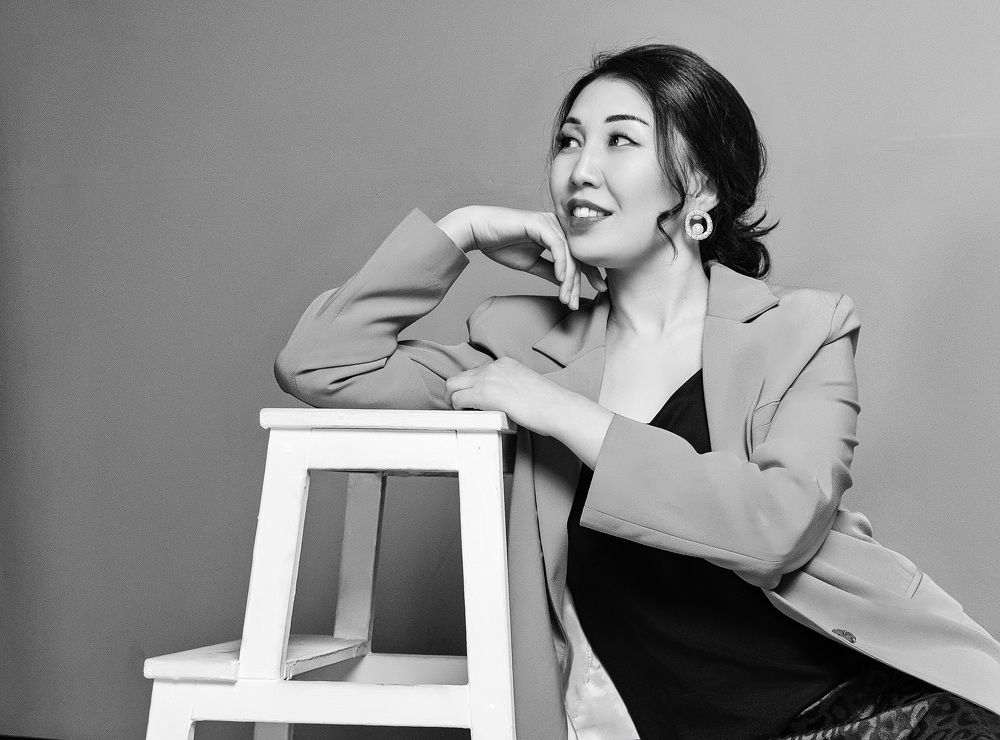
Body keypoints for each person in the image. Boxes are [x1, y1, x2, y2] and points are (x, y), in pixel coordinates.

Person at [275, 44, 1000, 739]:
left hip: (869, 707)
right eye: (568, 142)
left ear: (700, 188)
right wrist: (459, 232)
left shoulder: (803, 330)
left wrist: (569, 417)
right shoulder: (523, 349)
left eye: (619, 141)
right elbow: (321, 365)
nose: (580, 170)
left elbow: (778, 527)